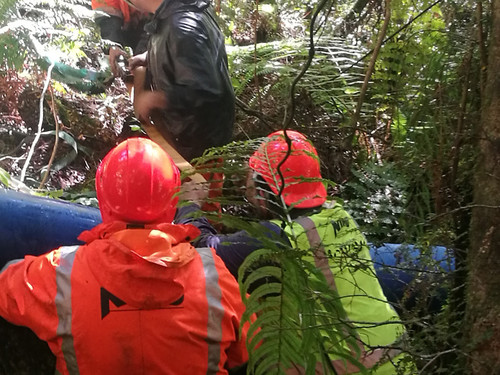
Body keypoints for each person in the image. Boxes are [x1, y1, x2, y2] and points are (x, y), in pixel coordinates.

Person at [0, 138, 250, 375]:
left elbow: (5, 287)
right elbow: (254, 348)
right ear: (172, 201)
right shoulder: (214, 279)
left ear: (102, 197)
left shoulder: (60, 272)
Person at [178, 130, 414, 374]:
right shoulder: (339, 215)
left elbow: (203, 248)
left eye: (251, 179)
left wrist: (188, 204)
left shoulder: (278, 238)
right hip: (397, 360)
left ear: (263, 189)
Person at [127, 0, 235, 162]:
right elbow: (181, 54)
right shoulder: (173, 12)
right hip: (187, 135)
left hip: (200, 144)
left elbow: (205, 92)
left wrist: (153, 99)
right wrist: (149, 57)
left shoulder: (182, 26)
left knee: (201, 186)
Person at [91, 0, 151, 76]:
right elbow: (108, 21)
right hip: (119, 23)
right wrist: (113, 45)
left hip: (151, 23)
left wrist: (145, 55)